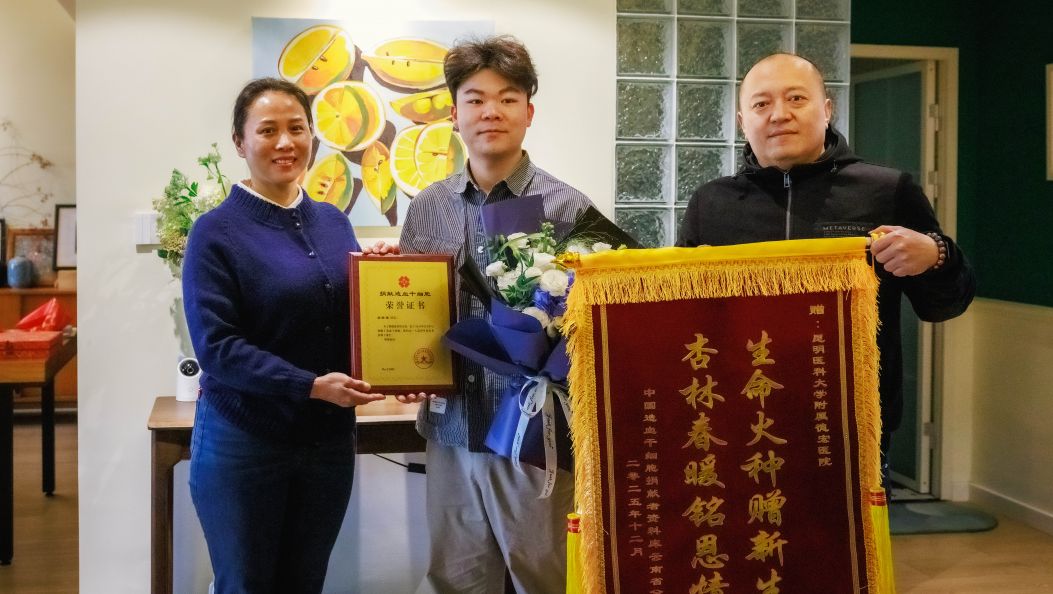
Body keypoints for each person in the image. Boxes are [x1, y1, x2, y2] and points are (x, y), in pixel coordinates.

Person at [676, 53, 976, 480]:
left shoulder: (886, 190)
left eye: (796, 98)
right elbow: (682, 314)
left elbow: (944, 305)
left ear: (827, 109)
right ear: (743, 122)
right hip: (735, 425)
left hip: (851, 431)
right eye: (761, 104)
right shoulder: (711, 203)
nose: (779, 114)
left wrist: (936, 255)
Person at [182, 77, 424, 593]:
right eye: (267, 130)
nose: (285, 142)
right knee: (245, 583)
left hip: (326, 442)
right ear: (240, 142)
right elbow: (218, 348)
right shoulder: (215, 232)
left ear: (313, 135)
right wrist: (310, 386)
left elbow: (349, 320)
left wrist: (379, 279)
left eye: (297, 128)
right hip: (244, 440)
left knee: (306, 582)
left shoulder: (334, 222)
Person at [397, 36, 594, 593]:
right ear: (454, 114)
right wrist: (402, 366)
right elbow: (412, 312)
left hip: (533, 430)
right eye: (476, 99)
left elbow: (592, 324)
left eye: (508, 99)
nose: (491, 112)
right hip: (451, 424)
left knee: (544, 576)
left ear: (529, 112)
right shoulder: (428, 206)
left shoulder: (567, 207)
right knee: (454, 578)